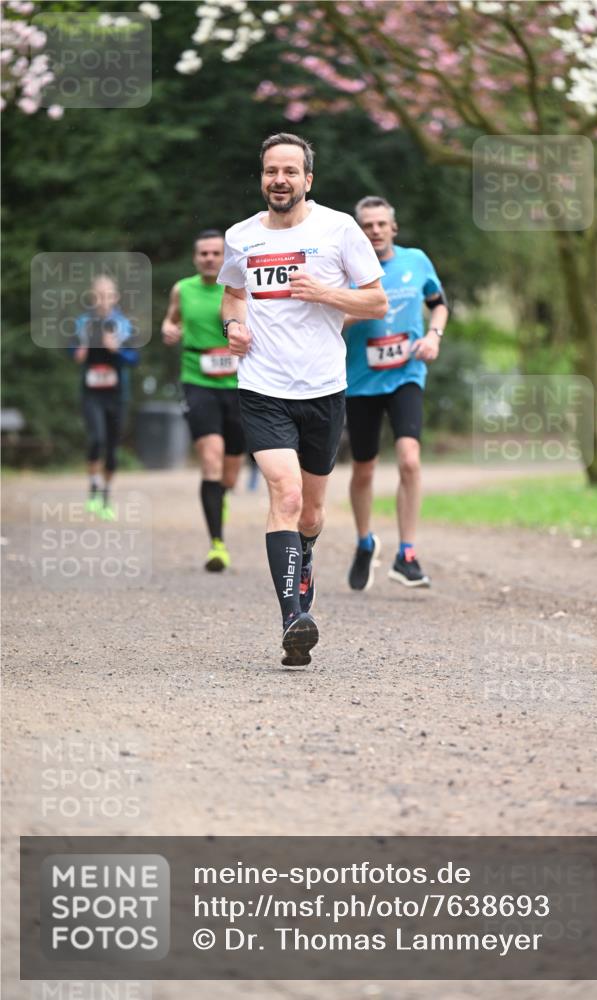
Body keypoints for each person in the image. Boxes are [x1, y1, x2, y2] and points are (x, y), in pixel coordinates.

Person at [218, 133, 387, 666]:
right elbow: (233, 292)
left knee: (311, 513)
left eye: (291, 171)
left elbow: (377, 300)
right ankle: (294, 618)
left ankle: (304, 555)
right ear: (262, 176)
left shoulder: (338, 228)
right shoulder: (241, 236)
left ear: (307, 179)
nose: (280, 180)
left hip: (323, 390)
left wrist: (325, 294)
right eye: (272, 171)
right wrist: (233, 326)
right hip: (262, 388)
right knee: (285, 497)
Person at [344, 196, 449, 590]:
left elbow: (438, 305)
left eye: (381, 224)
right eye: (367, 225)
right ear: (360, 230)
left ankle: (407, 553)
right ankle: (364, 541)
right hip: (360, 381)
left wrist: (434, 337)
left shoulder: (416, 261)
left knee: (409, 459)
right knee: (364, 468)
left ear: (394, 228)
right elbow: (329, 322)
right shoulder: (347, 270)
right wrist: (362, 308)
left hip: (407, 373)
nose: (375, 231)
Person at [162, 230, 245, 572]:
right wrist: (169, 328)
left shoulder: (240, 288)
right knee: (210, 460)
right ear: (196, 258)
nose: (209, 258)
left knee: (229, 471)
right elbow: (172, 318)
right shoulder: (183, 289)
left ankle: (221, 496)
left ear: (224, 257)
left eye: (216, 253)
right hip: (197, 380)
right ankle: (217, 544)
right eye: (203, 254)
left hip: (240, 383)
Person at [72, 275, 138, 520]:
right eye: (98, 294)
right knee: (96, 439)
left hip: (117, 394)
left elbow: (135, 359)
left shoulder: (124, 325)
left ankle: (106, 498)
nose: (103, 299)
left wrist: (117, 351)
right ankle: (93, 487)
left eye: (108, 294)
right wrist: (78, 353)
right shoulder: (83, 323)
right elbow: (71, 350)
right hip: (91, 392)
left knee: (111, 448)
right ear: (92, 296)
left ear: (116, 297)